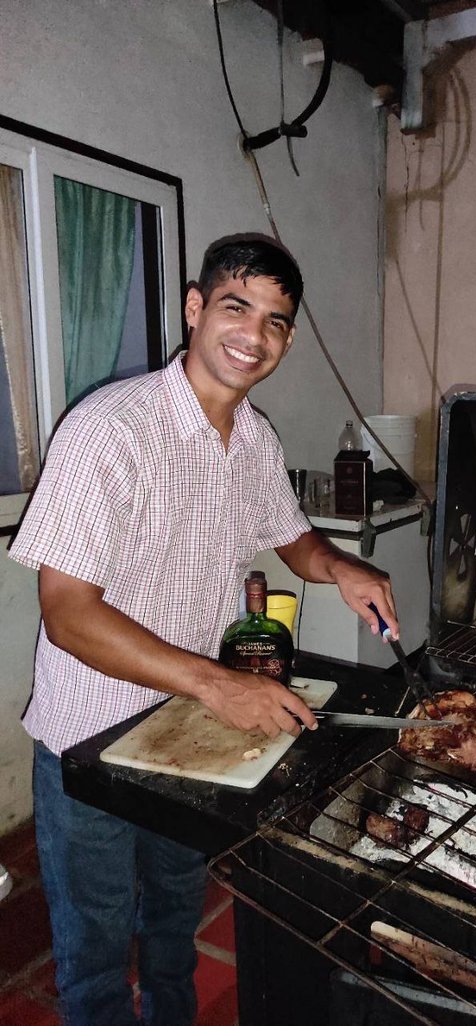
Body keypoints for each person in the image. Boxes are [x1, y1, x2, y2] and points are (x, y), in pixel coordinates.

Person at [9, 233, 399, 1026]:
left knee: (174, 933)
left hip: (187, 731)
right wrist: (223, 685)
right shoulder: (109, 432)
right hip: (94, 740)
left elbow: (289, 534)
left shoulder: (254, 439)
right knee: (94, 958)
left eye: (277, 322)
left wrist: (339, 567)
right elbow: (69, 614)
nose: (254, 335)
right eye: (236, 306)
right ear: (195, 307)